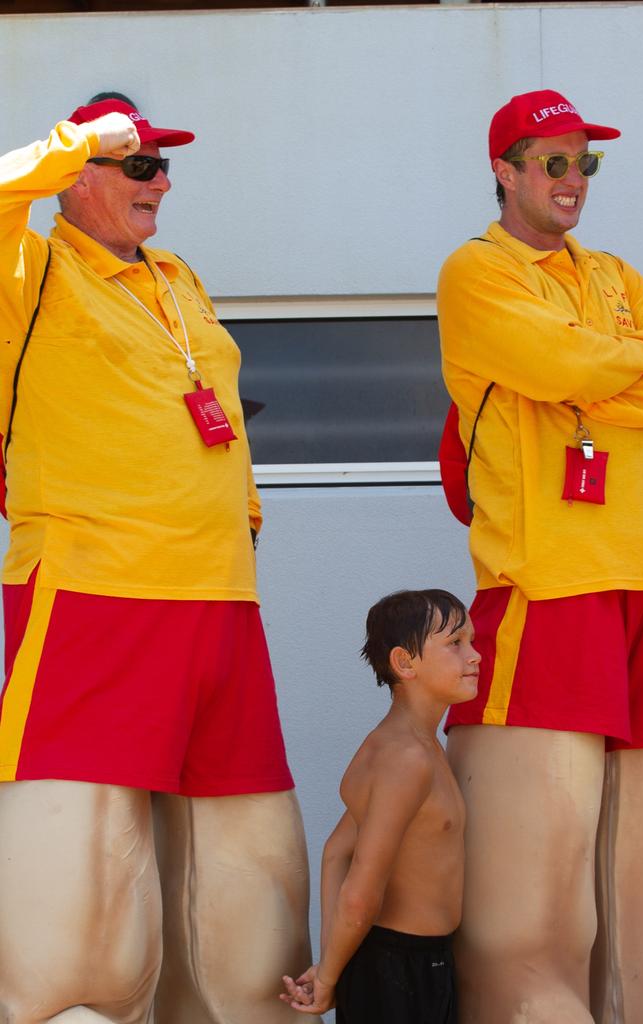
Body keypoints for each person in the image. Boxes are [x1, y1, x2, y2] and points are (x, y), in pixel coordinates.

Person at [0, 94, 310, 1022]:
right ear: (82, 176)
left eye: (164, 166)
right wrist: (74, 141)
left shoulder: (179, 275)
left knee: (245, 933)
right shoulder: (32, 265)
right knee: (80, 959)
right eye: (138, 164)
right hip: (98, 590)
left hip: (217, 601)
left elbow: (214, 403)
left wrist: (245, 514)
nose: (161, 182)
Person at [437, 89, 643, 1023]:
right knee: (533, 928)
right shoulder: (474, 273)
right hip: (548, 584)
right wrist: (617, 361)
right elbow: (568, 367)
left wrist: (596, 362)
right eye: (552, 162)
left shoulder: (614, 273)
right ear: (505, 170)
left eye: (584, 163)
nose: (571, 181)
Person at [280, 589, 480, 1022]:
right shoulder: (405, 760)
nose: (475, 655)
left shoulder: (419, 747)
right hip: (398, 970)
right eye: (455, 643)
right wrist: (331, 975)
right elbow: (361, 891)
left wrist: (334, 961)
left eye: (472, 641)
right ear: (404, 663)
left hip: (416, 964)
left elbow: (337, 851)